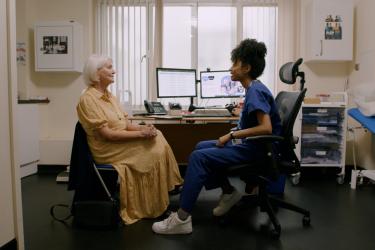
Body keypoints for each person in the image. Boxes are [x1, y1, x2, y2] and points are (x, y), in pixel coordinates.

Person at [152, 38, 282, 235]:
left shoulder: (255, 91)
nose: (230, 69)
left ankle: (182, 218)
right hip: (254, 147)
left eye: (234, 64)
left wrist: (231, 135)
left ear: (246, 68)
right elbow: (257, 120)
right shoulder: (255, 88)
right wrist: (241, 118)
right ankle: (229, 192)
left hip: (256, 151)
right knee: (200, 146)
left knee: (198, 157)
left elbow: (266, 128)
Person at [77, 54, 183, 224]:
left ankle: (165, 191)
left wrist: (144, 128)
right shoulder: (88, 99)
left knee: (158, 135)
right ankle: (155, 203)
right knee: (153, 150)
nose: (114, 71)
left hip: (119, 141)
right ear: (96, 73)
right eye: (109, 67)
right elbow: (108, 135)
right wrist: (141, 134)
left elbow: (125, 124)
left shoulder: (110, 96)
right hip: (107, 148)